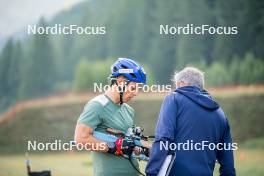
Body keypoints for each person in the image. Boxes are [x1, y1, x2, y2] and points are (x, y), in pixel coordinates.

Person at [146, 67, 236, 176]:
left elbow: (163, 139)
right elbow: (228, 162)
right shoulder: (220, 113)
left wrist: (151, 172)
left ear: (181, 83)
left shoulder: (173, 99)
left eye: (176, 85)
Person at [74, 58, 146, 176]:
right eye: (133, 88)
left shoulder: (128, 110)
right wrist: (113, 147)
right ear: (121, 82)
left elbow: (126, 143)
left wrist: (136, 148)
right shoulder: (97, 105)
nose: (136, 92)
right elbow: (80, 138)